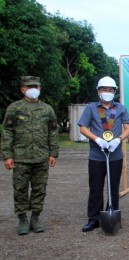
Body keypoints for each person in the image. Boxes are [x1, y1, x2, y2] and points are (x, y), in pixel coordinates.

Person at [1, 76, 59, 235]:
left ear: (40, 88)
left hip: (41, 156)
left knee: (39, 189)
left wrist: (53, 153)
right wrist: (7, 155)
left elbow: (53, 132)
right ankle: (22, 219)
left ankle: (35, 217)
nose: (34, 89)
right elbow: (7, 132)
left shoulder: (47, 109)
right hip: (20, 157)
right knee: (20, 188)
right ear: (23, 89)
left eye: (37, 86)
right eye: (30, 86)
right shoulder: (14, 108)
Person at [78, 76, 129, 232]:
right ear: (98, 91)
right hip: (96, 155)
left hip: (115, 155)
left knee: (113, 187)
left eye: (110, 90)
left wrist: (118, 139)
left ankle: (112, 215)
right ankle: (93, 219)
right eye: (104, 89)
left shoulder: (120, 108)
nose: (107, 92)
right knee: (95, 188)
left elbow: (128, 127)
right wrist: (97, 140)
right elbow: (83, 127)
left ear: (114, 92)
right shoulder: (91, 108)